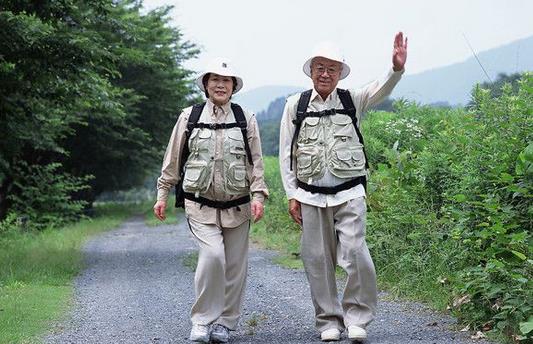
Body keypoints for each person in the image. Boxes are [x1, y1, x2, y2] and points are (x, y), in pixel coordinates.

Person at [279, 33, 408, 342]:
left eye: (332, 69)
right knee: (317, 260)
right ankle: (328, 322)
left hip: (350, 193)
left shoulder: (353, 99)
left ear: (339, 73)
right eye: (320, 68)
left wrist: (396, 69)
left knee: (356, 254)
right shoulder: (294, 105)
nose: (325, 74)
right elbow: (286, 153)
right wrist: (292, 194)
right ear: (311, 71)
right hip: (310, 196)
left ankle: (358, 318)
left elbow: (382, 88)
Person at [154, 57, 268, 343]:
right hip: (199, 205)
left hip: (238, 205)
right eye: (214, 79)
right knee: (213, 256)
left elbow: (257, 163)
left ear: (233, 87)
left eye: (226, 80)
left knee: (235, 266)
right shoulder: (189, 117)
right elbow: (173, 158)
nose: (220, 84)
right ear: (206, 85)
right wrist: (163, 194)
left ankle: (226, 324)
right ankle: (203, 321)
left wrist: (258, 196)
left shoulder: (246, 119)